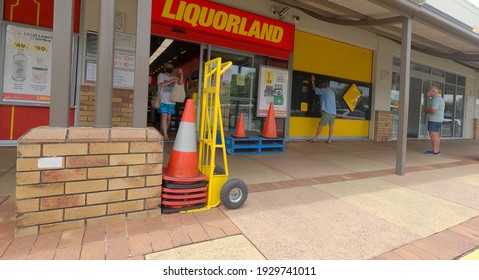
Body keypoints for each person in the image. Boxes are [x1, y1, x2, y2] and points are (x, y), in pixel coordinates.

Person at [157, 63, 183, 141]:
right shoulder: (161, 75)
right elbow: (163, 84)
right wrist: (172, 81)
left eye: (171, 67)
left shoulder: (174, 77)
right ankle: (165, 134)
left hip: (171, 101)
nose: (169, 68)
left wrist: (181, 74)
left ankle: (164, 130)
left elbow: (180, 83)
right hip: (163, 99)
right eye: (168, 67)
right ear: (164, 68)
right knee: (164, 116)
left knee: (169, 118)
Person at [307, 75, 337, 144]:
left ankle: (315, 138)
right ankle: (329, 140)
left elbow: (314, 89)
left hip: (327, 112)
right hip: (334, 112)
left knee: (321, 124)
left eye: (321, 84)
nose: (320, 85)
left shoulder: (325, 90)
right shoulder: (332, 92)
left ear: (325, 84)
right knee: (331, 126)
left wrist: (312, 81)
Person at [423, 86, 445, 156]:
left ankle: (435, 151)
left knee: (433, 135)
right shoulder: (437, 98)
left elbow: (433, 110)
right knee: (436, 135)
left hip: (434, 120)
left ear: (433, 91)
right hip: (437, 119)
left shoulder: (436, 99)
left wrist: (425, 110)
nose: (428, 92)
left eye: (429, 90)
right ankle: (436, 150)